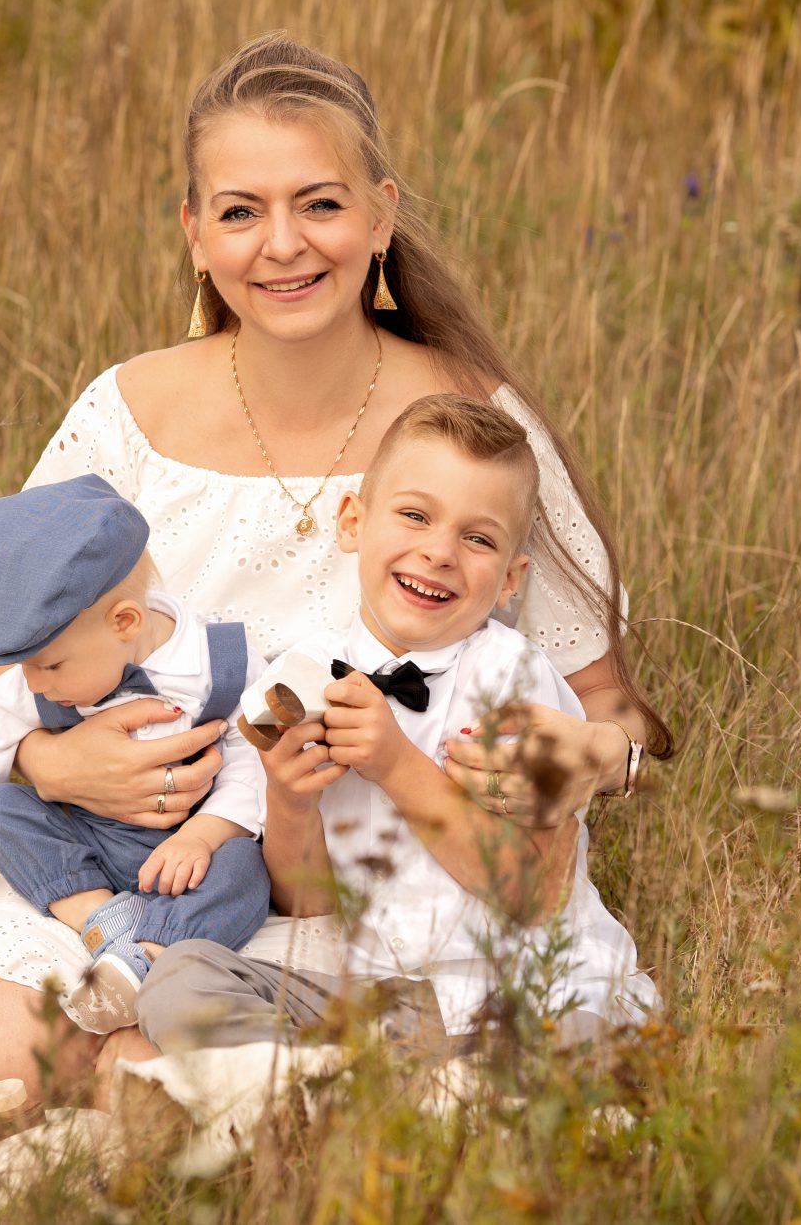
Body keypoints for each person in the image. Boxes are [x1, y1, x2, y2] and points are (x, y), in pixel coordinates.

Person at [0, 33, 674, 1110]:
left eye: (320, 204)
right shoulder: (125, 412)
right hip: (139, 866)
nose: (282, 245)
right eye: (240, 211)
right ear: (194, 234)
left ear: (381, 217)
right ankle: (197, 1078)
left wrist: (598, 756)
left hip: (388, 892)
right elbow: (14, 666)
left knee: (304, 1089)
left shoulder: (469, 426)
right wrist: (52, 763)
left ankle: (206, 1086)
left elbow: (607, 704)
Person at [136, 394, 658, 1053]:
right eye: (415, 515)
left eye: (478, 538)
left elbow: (532, 893)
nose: (439, 551)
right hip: (379, 998)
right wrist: (290, 799)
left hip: (519, 993)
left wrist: (396, 763)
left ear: (509, 579)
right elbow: (307, 905)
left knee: (584, 1035)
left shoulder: (511, 680)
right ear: (353, 521)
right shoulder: (302, 673)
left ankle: (388, 1090)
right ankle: (323, 1084)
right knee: (181, 981)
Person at [0, 475, 270, 1034]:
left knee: (244, 869)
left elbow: (254, 759)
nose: (33, 683)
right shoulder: (39, 676)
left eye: (49, 665)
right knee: (0, 811)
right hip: (89, 841)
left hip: (187, 852)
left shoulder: (220, 662)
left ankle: (150, 955)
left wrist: (205, 835)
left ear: (125, 622)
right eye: (25, 666)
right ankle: (102, 919)